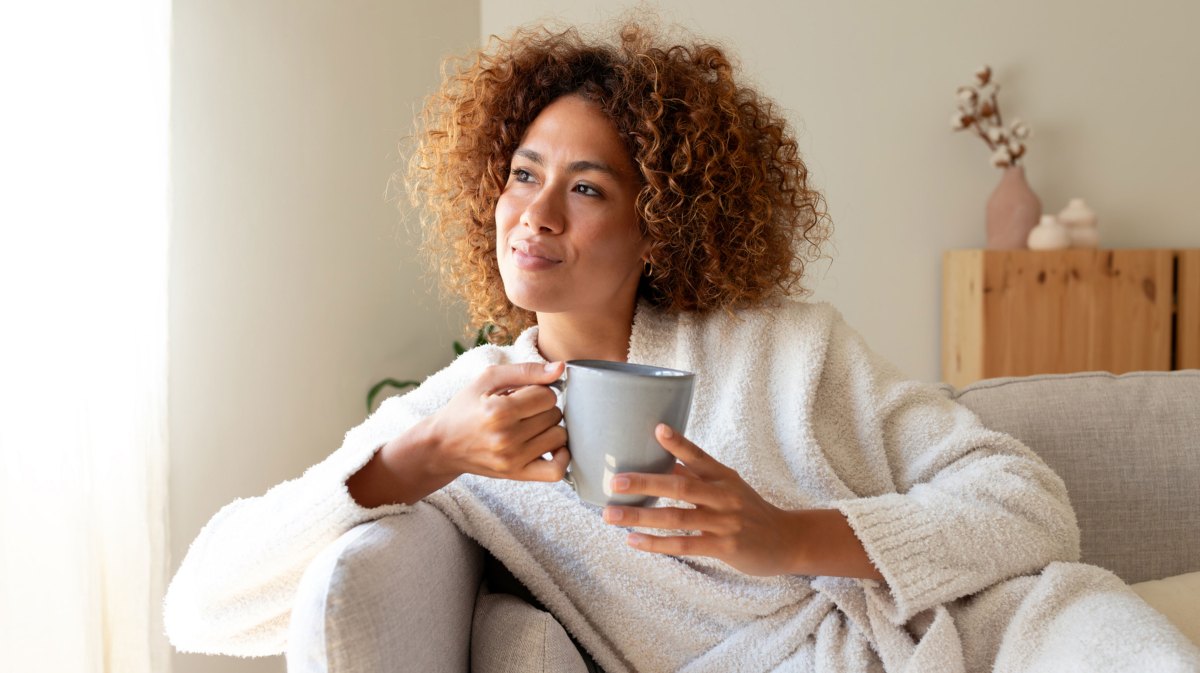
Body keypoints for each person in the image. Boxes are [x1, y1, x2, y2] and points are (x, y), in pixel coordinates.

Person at [164, 19, 1200, 673]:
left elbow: (1034, 508)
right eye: (523, 175)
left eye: (587, 188)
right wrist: (425, 455)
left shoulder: (786, 349)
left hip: (999, 637)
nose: (536, 215)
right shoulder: (468, 411)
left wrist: (790, 537)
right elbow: (201, 604)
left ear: (661, 223)